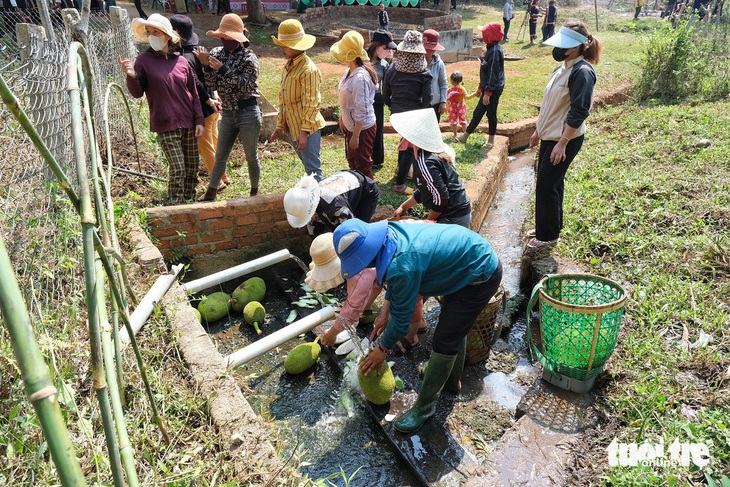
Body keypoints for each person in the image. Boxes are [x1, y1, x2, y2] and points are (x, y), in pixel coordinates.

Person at [334, 218, 503, 433]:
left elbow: (402, 323)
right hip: (463, 264)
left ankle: (424, 408)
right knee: (453, 326)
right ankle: (451, 383)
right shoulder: (389, 238)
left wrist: (381, 351)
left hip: (479, 273)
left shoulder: (402, 266)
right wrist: (384, 312)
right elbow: (394, 283)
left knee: (443, 340)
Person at [528, 22, 601, 249]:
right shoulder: (562, 69)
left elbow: (580, 111)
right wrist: (538, 131)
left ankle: (547, 237)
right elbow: (550, 105)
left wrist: (562, 142)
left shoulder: (583, 72)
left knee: (546, 185)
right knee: (553, 183)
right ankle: (547, 228)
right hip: (551, 136)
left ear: (572, 48)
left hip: (565, 139)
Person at [119, 14, 204, 204]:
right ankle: (174, 204)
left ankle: (189, 201)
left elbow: (194, 94)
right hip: (165, 123)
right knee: (178, 167)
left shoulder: (182, 62)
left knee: (192, 167)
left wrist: (199, 120)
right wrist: (131, 76)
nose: (151, 36)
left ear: (166, 35)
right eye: (148, 33)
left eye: (155, 32)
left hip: (188, 122)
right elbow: (137, 93)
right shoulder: (143, 61)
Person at [196, 14, 262, 201]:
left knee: (251, 155)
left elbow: (246, 84)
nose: (226, 41)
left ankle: (254, 191)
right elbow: (212, 84)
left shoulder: (249, 57)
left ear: (239, 38)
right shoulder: (217, 53)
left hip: (248, 111)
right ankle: (211, 191)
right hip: (228, 112)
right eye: (223, 37)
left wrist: (223, 70)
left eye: (229, 38)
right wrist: (206, 66)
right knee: (221, 154)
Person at [169, 15, 225, 197]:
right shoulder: (200, 52)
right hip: (214, 105)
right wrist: (215, 95)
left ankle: (216, 182)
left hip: (204, 107)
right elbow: (209, 77)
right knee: (215, 141)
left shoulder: (183, 59)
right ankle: (223, 176)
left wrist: (208, 100)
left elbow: (196, 84)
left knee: (206, 147)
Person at [391, 108, 471, 228]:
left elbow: (441, 198)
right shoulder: (423, 155)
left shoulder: (426, 162)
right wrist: (403, 206)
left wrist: (427, 223)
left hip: (453, 216)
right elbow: (426, 189)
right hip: (457, 210)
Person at [271, 20, 327, 181]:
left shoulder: (308, 70)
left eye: (285, 45)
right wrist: (280, 126)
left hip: (307, 129)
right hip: (293, 127)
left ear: (297, 45)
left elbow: (312, 103)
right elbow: (284, 100)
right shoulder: (288, 66)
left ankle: (320, 203)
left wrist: (304, 133)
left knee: (313, 171)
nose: (282, 48)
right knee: (308, 168)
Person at [382, 30, 432, 195]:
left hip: (396, 114)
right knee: (410, 147)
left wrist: (393, 106)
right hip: (414, 115)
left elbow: (385, 94)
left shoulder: (392, 69)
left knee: (405, 142)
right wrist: (420, 112)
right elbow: (427, 99)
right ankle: (400, 184)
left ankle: (400, 170)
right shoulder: (424, 74)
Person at [331, 31, 378, 179]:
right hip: (352, 126)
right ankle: (359, 195)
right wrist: (342, 119)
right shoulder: (348, 72)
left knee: (363, 165)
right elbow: (346, 101)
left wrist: (356, 135)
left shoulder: (359, 78)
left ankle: (370, 197)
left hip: (361, 129)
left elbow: (362, 109)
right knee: (353, 163)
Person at [456, 23, 505, 150]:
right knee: (478, 112)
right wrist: (480, 86)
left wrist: (488, 93)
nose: (483, 35)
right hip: (488, 87)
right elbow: (486, 71)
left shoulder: (494, 52)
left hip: (493, 88)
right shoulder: (490, 48)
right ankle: (465, 136)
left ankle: (491, 139)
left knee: (490, 113)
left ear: (490, 35)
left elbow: (493, 74)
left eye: (485, 32)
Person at [283, 170, 380, 234]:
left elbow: (352, 234)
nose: (309, 219)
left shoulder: (337, 209)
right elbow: (315, 232)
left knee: (360, 229)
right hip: (345, 184)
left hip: (366, 191)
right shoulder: (312, 198)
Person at [367, 30, 397, 170]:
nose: (387, 52)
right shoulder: (363, 61)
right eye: (385, 48)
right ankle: (365, 157)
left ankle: (376, 159)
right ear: (376, 46)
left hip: (378, 100)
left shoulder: (385, 65)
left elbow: (388, 86)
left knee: (377, 129)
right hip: (363, 100)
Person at [423, 29, 448, 122]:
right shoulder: (416, 62)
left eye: (432, 49)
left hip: (435, 104)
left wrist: (443, 101)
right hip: (419, 105)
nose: (430, 52)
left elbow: (443, 83)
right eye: (427, 49)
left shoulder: (439, 63)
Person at [445, 71, 478, 139]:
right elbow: (467, 97)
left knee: (453, 121)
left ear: (452, 80)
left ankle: (455, 135)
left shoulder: (450, 90)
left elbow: (447, 100)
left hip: (452, 107)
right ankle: (465, 135)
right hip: (461, 106)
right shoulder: (462, 89)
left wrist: (447, 108)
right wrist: (474, 94)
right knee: (463, 120)